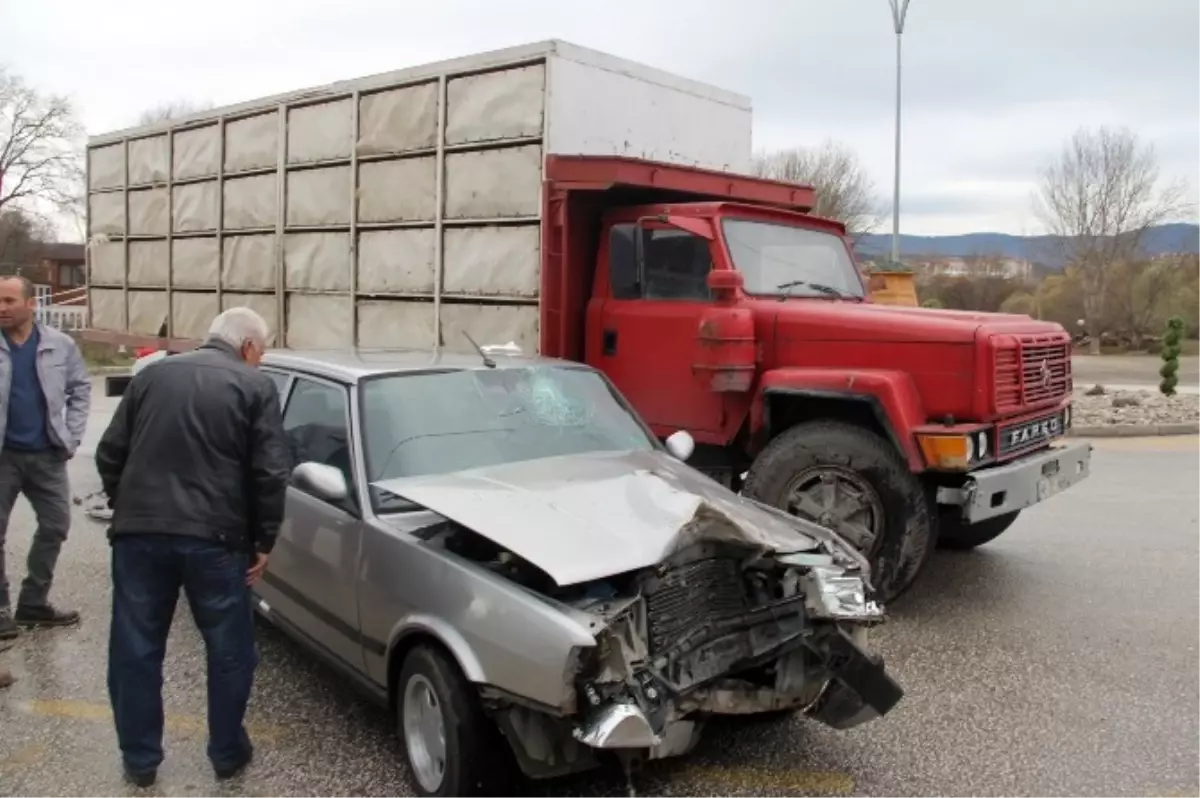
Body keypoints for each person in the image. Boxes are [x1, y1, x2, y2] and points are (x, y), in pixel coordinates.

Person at [95, 308, 290, 788]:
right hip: (217, 541)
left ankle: (140, 761)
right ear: (247, 347)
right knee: (229, 650)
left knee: (135, 648)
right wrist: (264, 540)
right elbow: (270, 472)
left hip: (139, 537)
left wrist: (130, 507)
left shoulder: (152, 376)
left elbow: (109, 453)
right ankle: (227, 752)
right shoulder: (254, 387)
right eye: (261, 353)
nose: (260, 362)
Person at [0, 276, 91, 641]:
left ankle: (33, 603)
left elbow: (81, 389)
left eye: (9, 301)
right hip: (3, 458)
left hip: (48, 455)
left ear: (30, 304)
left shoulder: (59, 345)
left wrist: (71, 437)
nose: (2, 308)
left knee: (56, 527)